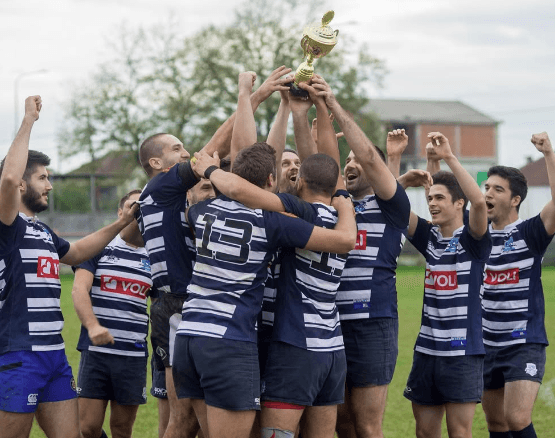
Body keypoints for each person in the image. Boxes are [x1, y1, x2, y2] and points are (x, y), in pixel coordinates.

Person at [169, 71, 357, 438]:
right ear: (272, 183)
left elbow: (243, 157)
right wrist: (345, 202)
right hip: (259, 338)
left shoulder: (199, 212)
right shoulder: (279, 221)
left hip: (191, 334)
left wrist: (249, 95)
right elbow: (325, 180)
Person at [137, 66, 293, 438]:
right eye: (177, 148)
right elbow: (216, 152)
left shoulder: (172, 200)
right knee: (183, 420)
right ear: (156, 164)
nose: (188, 152)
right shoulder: (160, 188)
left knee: (186, 420)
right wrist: (254, 97)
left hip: (183, 308)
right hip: (179, 306)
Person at [0, 96, 138, 438]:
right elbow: (6, 180)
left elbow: (75, 253)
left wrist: (121, 223)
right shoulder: (8, 225)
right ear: (21, 184)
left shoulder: (42, 230)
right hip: (20, 355)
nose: (49, 185)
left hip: (54, 357)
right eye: (42, 178)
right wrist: (29, 121)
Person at [304, 76, 411, 438]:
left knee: (367, 426)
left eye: (357, 161)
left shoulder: (392, 206)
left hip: (372, 325)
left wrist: (333, 103)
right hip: (330, 323)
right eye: (346, 160)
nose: (351, 164)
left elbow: (367, 154)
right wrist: (315, 106)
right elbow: (320, 161)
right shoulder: (339, 205)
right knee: (342, 424)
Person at [402, 132, 491, 438]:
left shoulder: (473, 239)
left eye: (440, 199)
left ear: (458, 204)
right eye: (430, 199)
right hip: (427, 350)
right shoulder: (430, 237)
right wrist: (425, 167)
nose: (432, 204)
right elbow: (393, 207)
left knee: (459, 432)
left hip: (462, 352)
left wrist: (449, 157)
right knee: (425, 432)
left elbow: (479, 201)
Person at [480, 132, 555, 438]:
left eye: (498, 189)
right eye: (486, 187)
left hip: (523, 343)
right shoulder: (476, 238)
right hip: (484, 344)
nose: (488, 193)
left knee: (516, 418)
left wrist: (549, 153)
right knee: (496, 423)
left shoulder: (528, 233)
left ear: (514, 200)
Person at [71, 190, 151, 438]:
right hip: (96, 352)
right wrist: (93, 326)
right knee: (88, 428)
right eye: (133, 206)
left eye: (144, 208)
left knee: (122, 428)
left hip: (133, 355)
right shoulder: (99, 247)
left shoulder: (157, 257)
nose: (138, 212)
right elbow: (78, 289)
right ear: (120, 212)